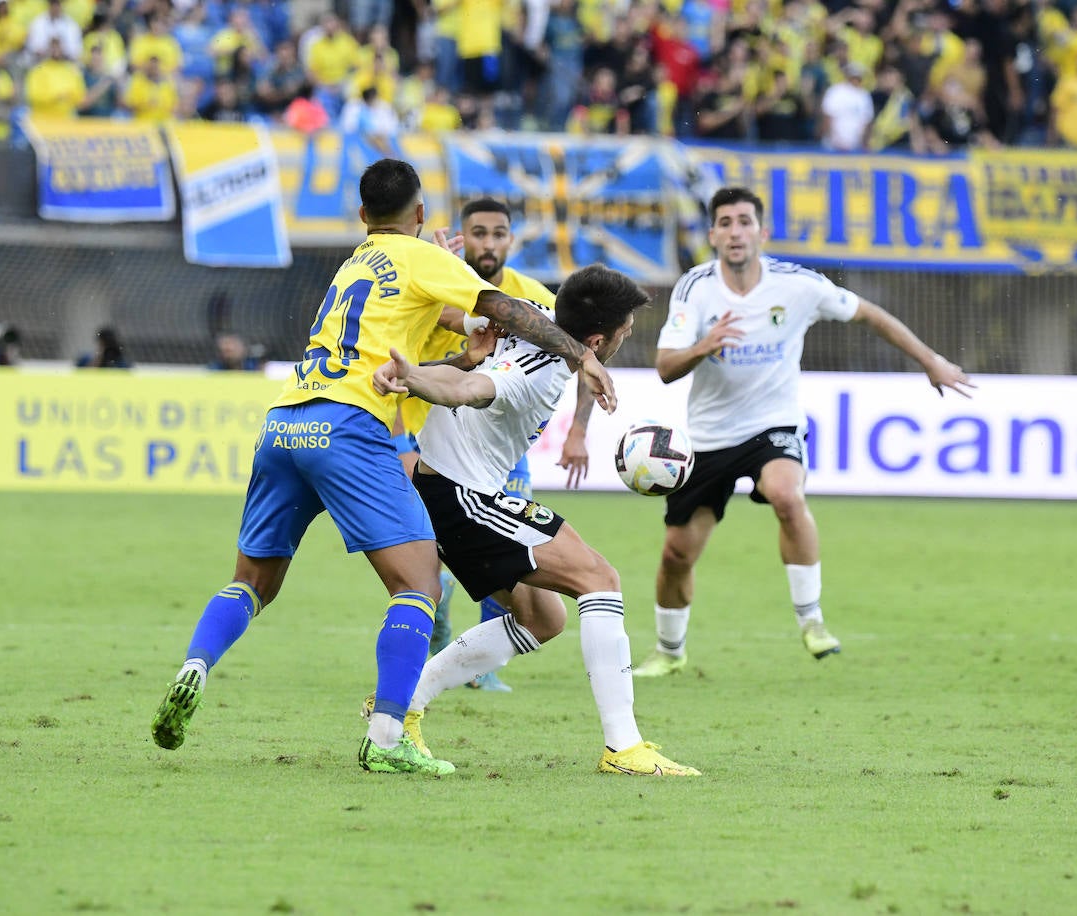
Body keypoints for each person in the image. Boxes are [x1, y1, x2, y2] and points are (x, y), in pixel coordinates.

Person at [149, 157, 616, 776]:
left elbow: (413, 346)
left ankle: (194, 666)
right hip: (349, 428)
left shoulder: (353, 263)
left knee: (253, 582)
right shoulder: (421, 255)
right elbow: (509, 310)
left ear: (363, 216)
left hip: (286, 421)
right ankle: (388, 734)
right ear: (420, 215)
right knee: (419, 585)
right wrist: (577, 351)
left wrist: (463, 354)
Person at [370, 264, 699, 776]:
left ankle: (402, 703)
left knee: (545, 619)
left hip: (457, 489)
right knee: (600, 579)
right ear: (594, 339)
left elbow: (465, 351)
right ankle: (624, 748)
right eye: (624, 330)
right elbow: (469, 390)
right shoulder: (537, 374)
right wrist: (412, 377)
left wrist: (435, 359)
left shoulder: (538, 322)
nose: (629, 333)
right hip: (462, 498)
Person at [633, 187, 974, 678]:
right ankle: (669, 650)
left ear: (762, 232)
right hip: (708, 437)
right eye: (725, 222)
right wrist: (704, 346)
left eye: (744, 221)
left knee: (786, 496)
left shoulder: (798, 285)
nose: (735, 231)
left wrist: (931, 361)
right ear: (712, 235)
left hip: (774, 423)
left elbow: (870, 315)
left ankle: (812, 621)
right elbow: (665, 367)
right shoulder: (695, 287)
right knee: (676, 553)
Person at [411, 198, 591, 693]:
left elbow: (579, 356)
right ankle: (437, 617)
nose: (488, 243)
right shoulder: (438, 286)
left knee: (510, 548)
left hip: (496, 443)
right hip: (423, 424)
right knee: (433, 564)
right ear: (464, 237)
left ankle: (482, 664)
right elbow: (436, 347)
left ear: (511, 240)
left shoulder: (534, 298)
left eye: (498, 234)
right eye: (478, 233)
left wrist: (578, 430)